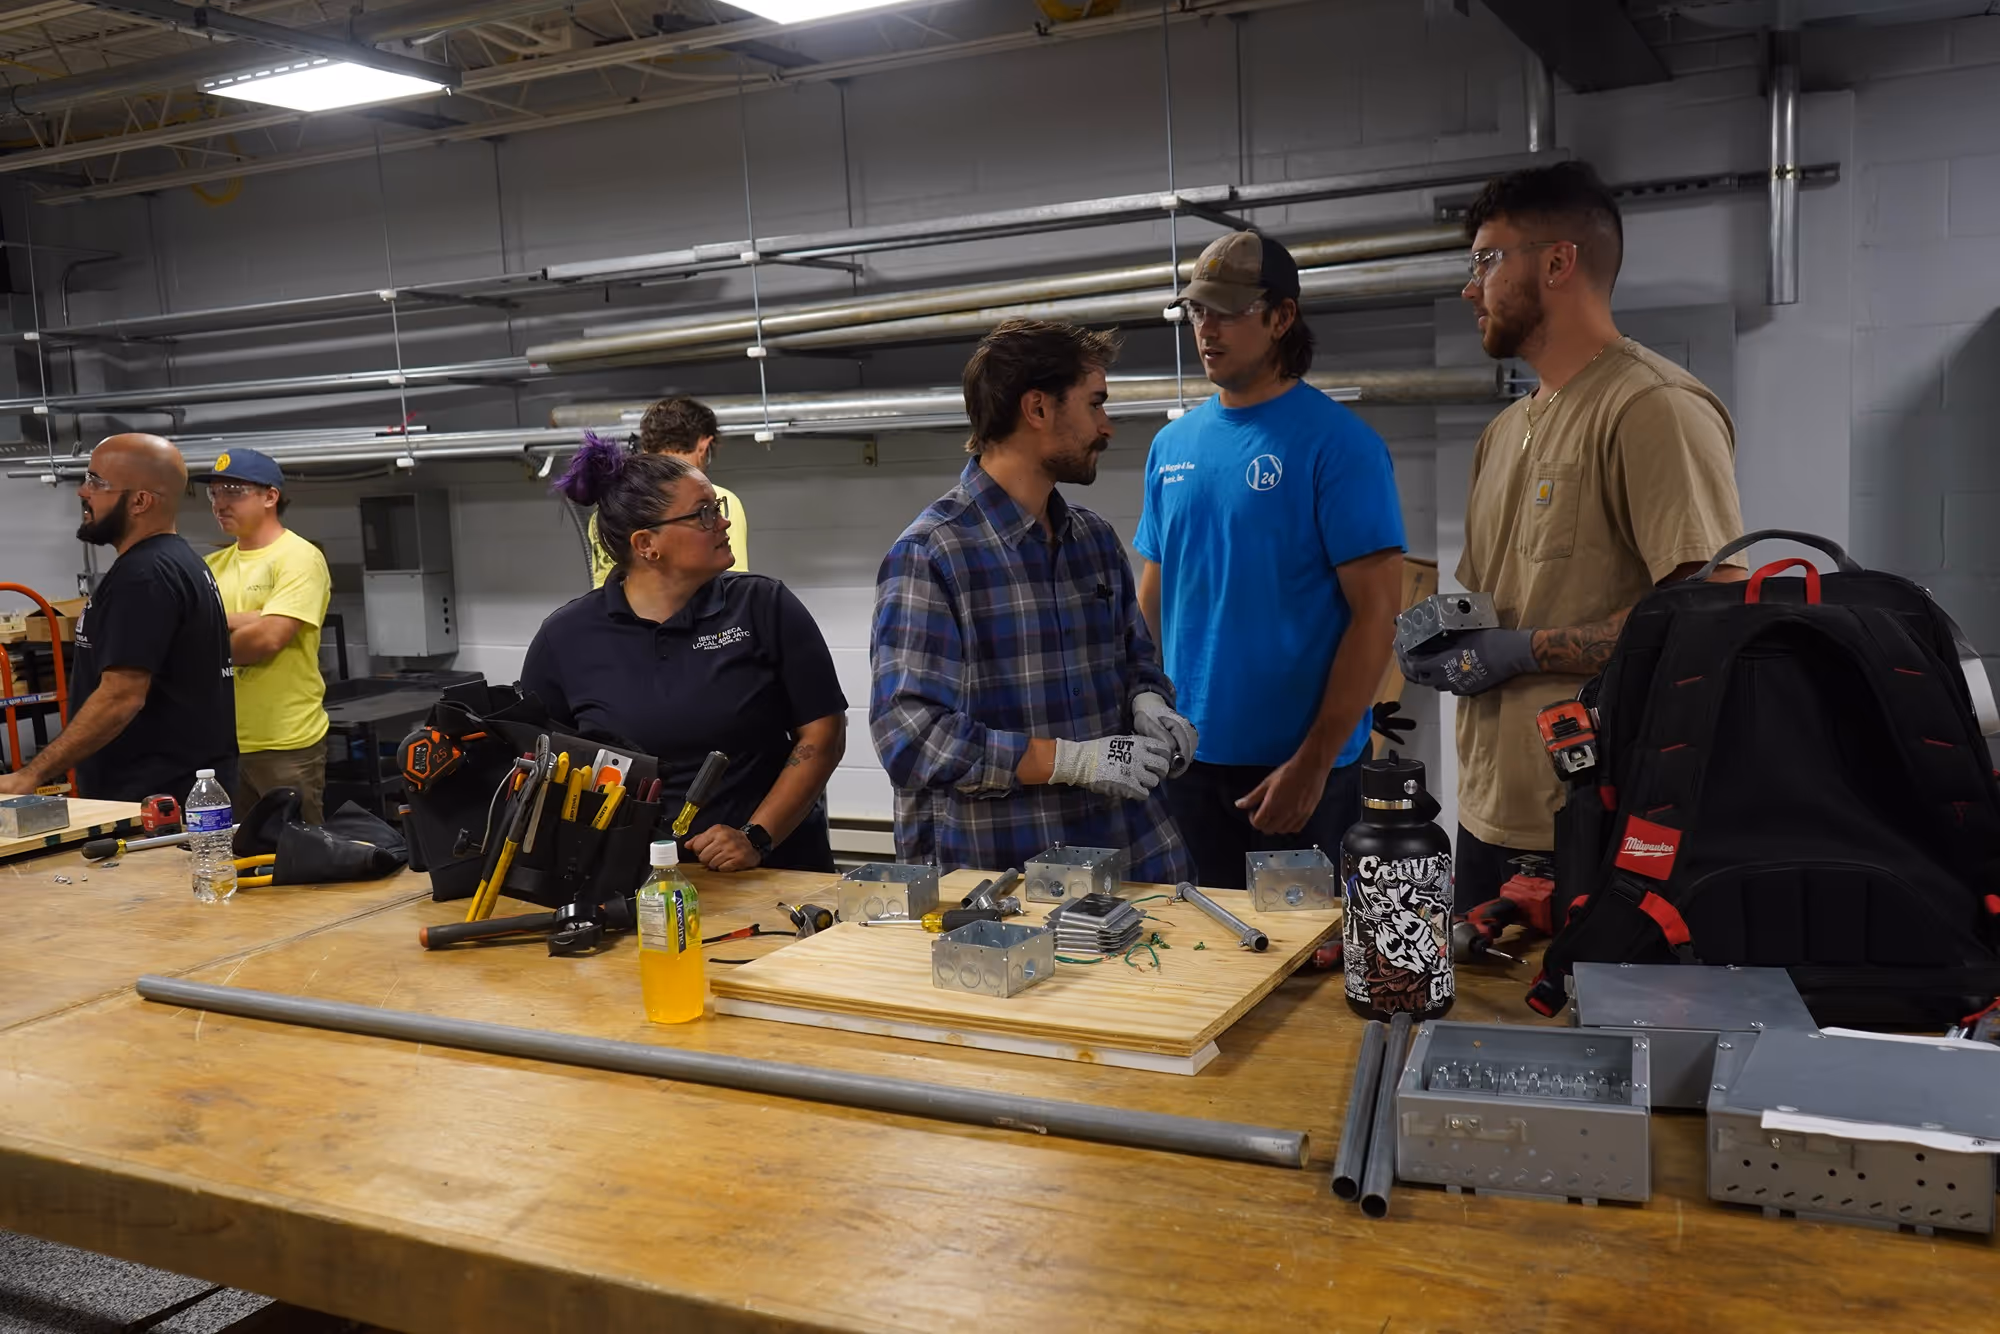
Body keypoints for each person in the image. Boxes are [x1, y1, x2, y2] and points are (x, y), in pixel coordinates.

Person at [1399, 160, 1746, 910]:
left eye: (1487, 261)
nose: (1471, 287)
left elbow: (1707, 620)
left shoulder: (1652, 407)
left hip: (1597, 819)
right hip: (1490, 810)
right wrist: (1444, 634)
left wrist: (1524, 652)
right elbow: (1505, 599)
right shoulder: (1504, 432)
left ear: (1558, 261)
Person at [870, 318, 1194, 884]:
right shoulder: (933, 554)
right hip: (1007, 882)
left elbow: (1137, 661)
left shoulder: (1093, 540)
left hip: (1132, 859)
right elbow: (911, 738)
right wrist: (1071, 762)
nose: (1106, 427)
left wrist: (1150, 704)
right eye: (1095, 405)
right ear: (1038, 409)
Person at [1134, 231, 1406, 889]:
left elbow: (1375, 618)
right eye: (1199, 311)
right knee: (1205, 954)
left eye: (1229, 311)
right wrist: (1139, 714)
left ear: (1281, 317)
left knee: (1303, 967)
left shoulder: (1340, 447)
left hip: (1302, 772)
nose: (1208, 328)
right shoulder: (1171, 447)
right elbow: (1152, 600)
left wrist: (1313, 764)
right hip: (1189, 764)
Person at [524, 437, 843, 872]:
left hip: (774, 872)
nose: (723, 523)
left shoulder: (764, 606)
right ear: (646, 544)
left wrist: (756, 837)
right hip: (638, 882)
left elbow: (822, 736)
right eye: (704, 514)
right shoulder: (565, 638)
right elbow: (545, 770)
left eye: (718, 509)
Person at [0, 434, 235, 803]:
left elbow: (120, 697)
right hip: (177, 792)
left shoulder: (144, 575)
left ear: (140, 501)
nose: (82, 492)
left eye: (96, 481)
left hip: (152, 800)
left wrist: (32, 774)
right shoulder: (178, 562)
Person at [195, 449, 333, 823]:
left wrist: (213, 633)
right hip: (223, 744)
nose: (219, 504)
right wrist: (247, 617)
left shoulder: (298, 557)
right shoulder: (208, 567)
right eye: (214, 494)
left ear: (270, 496)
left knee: (296, 856)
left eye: (233, 491)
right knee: (232, 853)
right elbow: (181, 632)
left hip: (284, 741)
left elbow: (268, 639)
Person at [585, 397, 747, 587]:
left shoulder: (608, 510)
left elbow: (603, 588)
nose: (721, 521)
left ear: (646, 447)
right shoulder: (717, 501)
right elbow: (734, 586)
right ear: (704, 446)